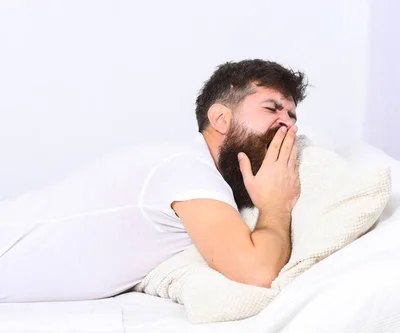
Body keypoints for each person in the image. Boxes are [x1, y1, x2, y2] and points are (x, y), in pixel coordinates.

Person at [0, 59, 308, 302]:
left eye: (293, 117)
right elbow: (256, 272)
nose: (288, 127)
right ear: (221, 119)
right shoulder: (189, 169)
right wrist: (276, 207)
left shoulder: (201, 177)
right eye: (272, 108)